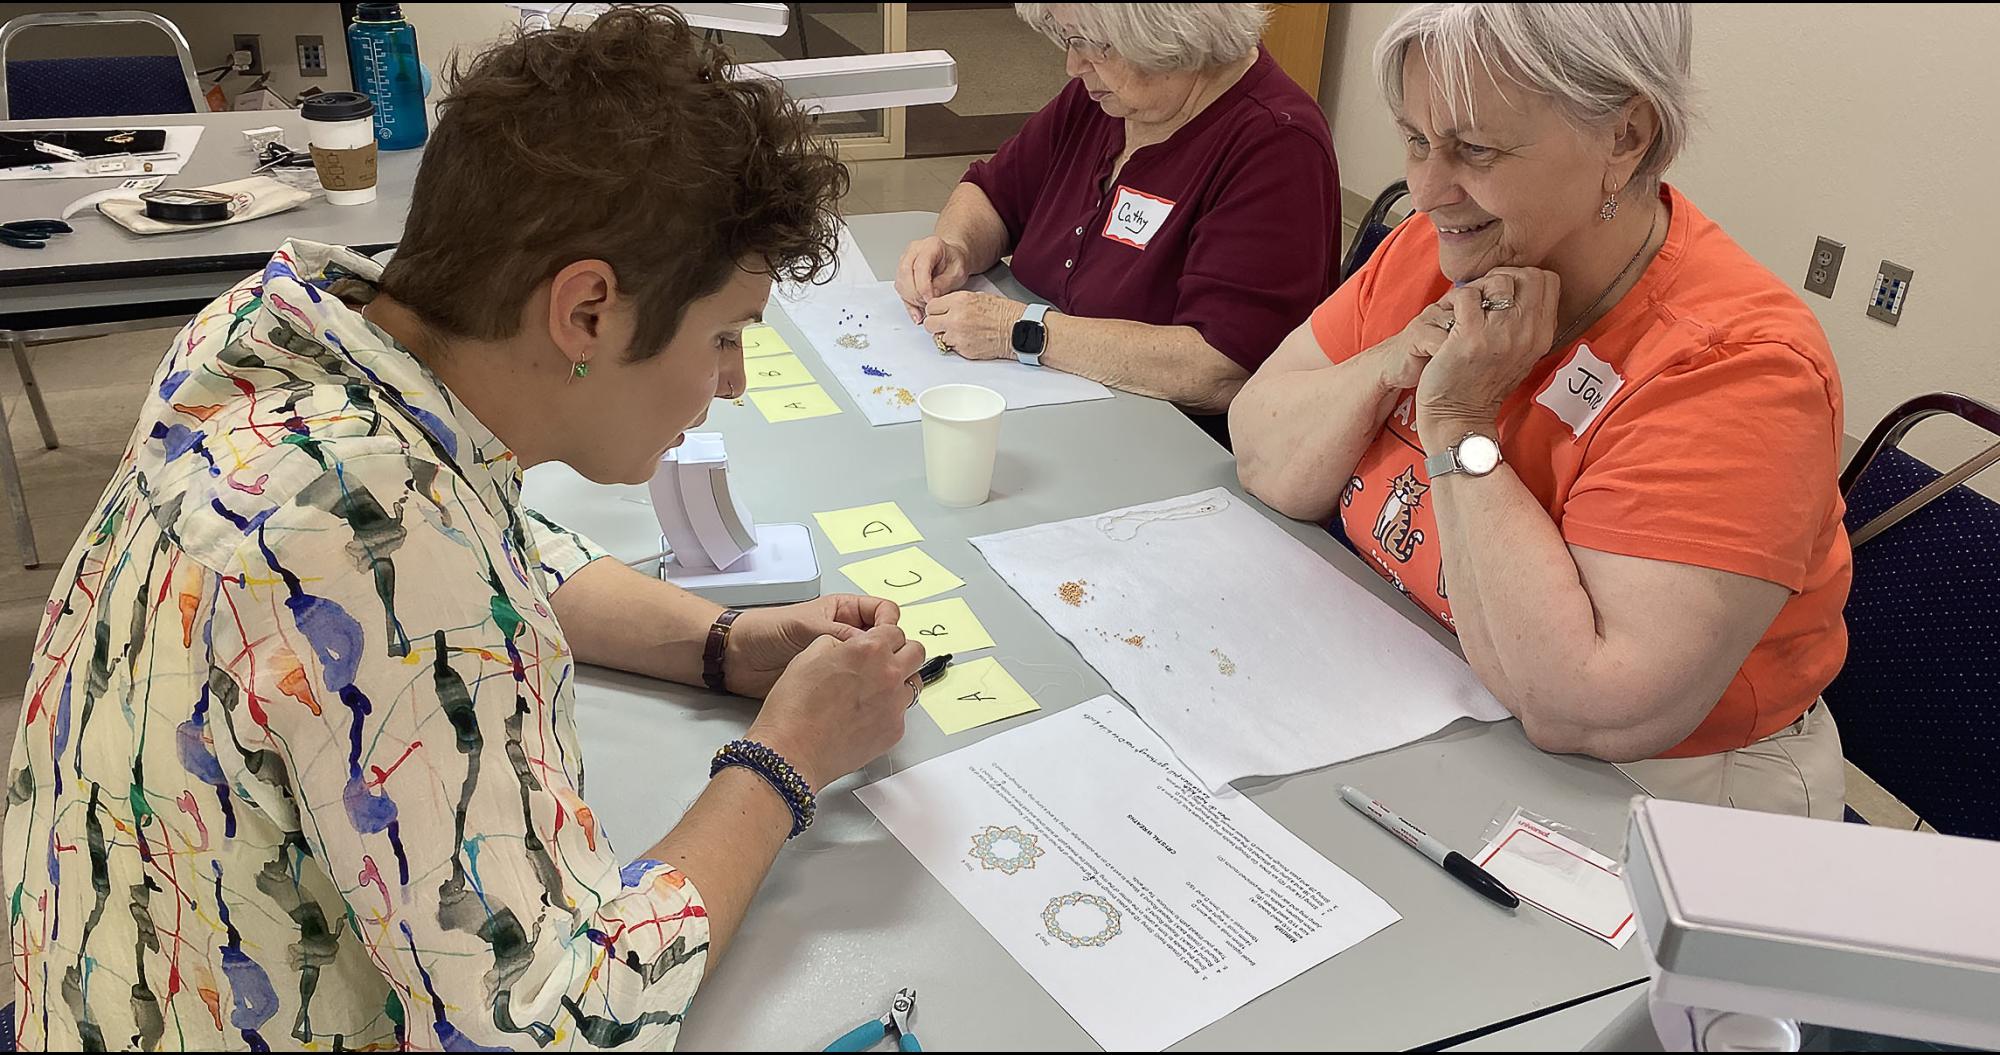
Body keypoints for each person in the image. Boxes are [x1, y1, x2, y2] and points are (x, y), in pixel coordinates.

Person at [5, 10, 926, 1049]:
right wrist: (789, 755)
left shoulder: (282, 333)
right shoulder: (371, 537)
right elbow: (555, 1020)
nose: (734, 382)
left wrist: (722, 644)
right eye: (722, 336)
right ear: (587, 312)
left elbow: (505, 546)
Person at [1232, 3, 1851, 818]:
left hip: (1656, 789)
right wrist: (1390, 363)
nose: (1426, 190)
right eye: (1415, 139)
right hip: (1425, 686)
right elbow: (1261, 445)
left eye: (1475, 150)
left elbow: (1585, 704)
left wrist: (1459, 420)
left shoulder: (1739, 369)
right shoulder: (1450, 243)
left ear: (1626, 137)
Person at [896, 2, 1339, 444]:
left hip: (1169, 444)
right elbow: (992, 193)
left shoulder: (1278, 145)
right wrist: (955, 246)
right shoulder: (1109, 100)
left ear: (1169, 32)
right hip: (1049, 414)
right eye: (1069, 39)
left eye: (1091, 44)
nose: (1073, 65)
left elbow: (1218, 369)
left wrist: (1017, 331)